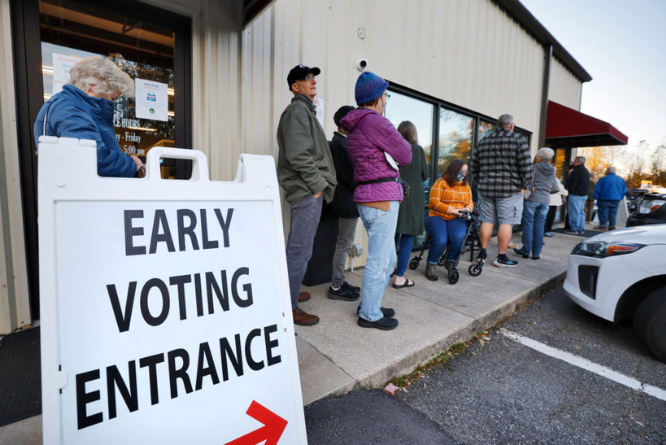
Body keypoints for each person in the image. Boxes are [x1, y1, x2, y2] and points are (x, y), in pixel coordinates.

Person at [340, 71, 412, 331]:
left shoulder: (358, 124)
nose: (386, 99)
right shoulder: (376, 123)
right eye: (385, 94)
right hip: (381, 198)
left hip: (368, 197)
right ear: (378, 97)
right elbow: (405, 155)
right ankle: (369, 314)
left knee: (388, 260)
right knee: (380, 261)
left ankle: (371, 303)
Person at [277, 64, 337, 326]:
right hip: (306, 191)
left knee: (298, 248)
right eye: (307, 78)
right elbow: (298, 155)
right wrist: (317, 187)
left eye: (313, 77)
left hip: (307, 191)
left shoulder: (305, 111)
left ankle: (288, 292)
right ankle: (288, 307)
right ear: (295, 86)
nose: (313, 81)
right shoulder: (297, 111)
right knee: (300, 251)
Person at [34, 55, 145, 178]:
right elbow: (93, 157)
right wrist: (131, 164)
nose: (112, 103)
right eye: (112, 98)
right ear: (93, 86)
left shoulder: (73, 106)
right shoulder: (70, 109)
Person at [471, 113, 531, 268]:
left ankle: (482, 254)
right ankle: (501, 257)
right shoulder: (518, 139)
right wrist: (525, 187)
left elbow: (474, 166)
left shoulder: (484, 141)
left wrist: (480, 183)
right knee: (506, 222)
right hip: (509, 190)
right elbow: (525, 166)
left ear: (497, 125)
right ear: (511, 125)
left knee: (487, 221)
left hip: (486, 189)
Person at [326, 105, 362, 301]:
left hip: (345, 200)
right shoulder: (340, 145)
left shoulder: (342, 143)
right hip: (346, 202)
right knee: (344, 244)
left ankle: (339, 281)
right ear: (345, 123)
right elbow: (352, 176)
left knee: (343, 243)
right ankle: (336, 286)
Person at [424, 159, 473, 280]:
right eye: (461, 171)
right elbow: (433, 202)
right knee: (441, 240)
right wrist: (451, 210)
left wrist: (468, 208)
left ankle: (450, 262)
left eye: (466, 172)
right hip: (437, 214)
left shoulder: (465, 186)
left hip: (457, 217)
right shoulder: (441, 182)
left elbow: (470, 202)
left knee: (458, 237)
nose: (463, 175)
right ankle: (431, 264)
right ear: (453, 170)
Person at [393, 121, 428, 289]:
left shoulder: (393, 149)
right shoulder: (418, 150)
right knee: (407, 238)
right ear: (414, 134)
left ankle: (390, 269)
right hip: (412, 198)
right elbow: (424, 175)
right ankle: (400, 277)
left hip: (393, 195)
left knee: (392, 236)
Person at [513, 148, 559, 260]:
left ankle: (526, 250)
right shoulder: (553, 169)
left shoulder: (533, 167)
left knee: (528, 224)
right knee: (539, 226)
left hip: (532, 198)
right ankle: (536, 253)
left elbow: (524, 181)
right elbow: (555, 188)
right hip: (545, 200)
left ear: (539, 157)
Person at [593, 166, 627, 231]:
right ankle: (612, 226)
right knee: (613, 213)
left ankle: (603, 225)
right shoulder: (621, 179)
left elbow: (597, 189)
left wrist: (596, 197)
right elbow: (624, 191)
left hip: (603, 199)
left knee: (603, 213)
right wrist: (620, 197)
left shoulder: (603, 179)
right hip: (616, 199)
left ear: (607, 171)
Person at [565, 156, 590, 234]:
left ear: (579, 162)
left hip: (576, 194)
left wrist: (570, 191)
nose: (574, 163)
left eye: (575, 161)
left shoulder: (576, 171)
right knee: (581, 212)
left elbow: (572, 182)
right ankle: (580, 228)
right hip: (583, 194)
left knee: (574, 212)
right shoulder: (586, 171)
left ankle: (574, 228)